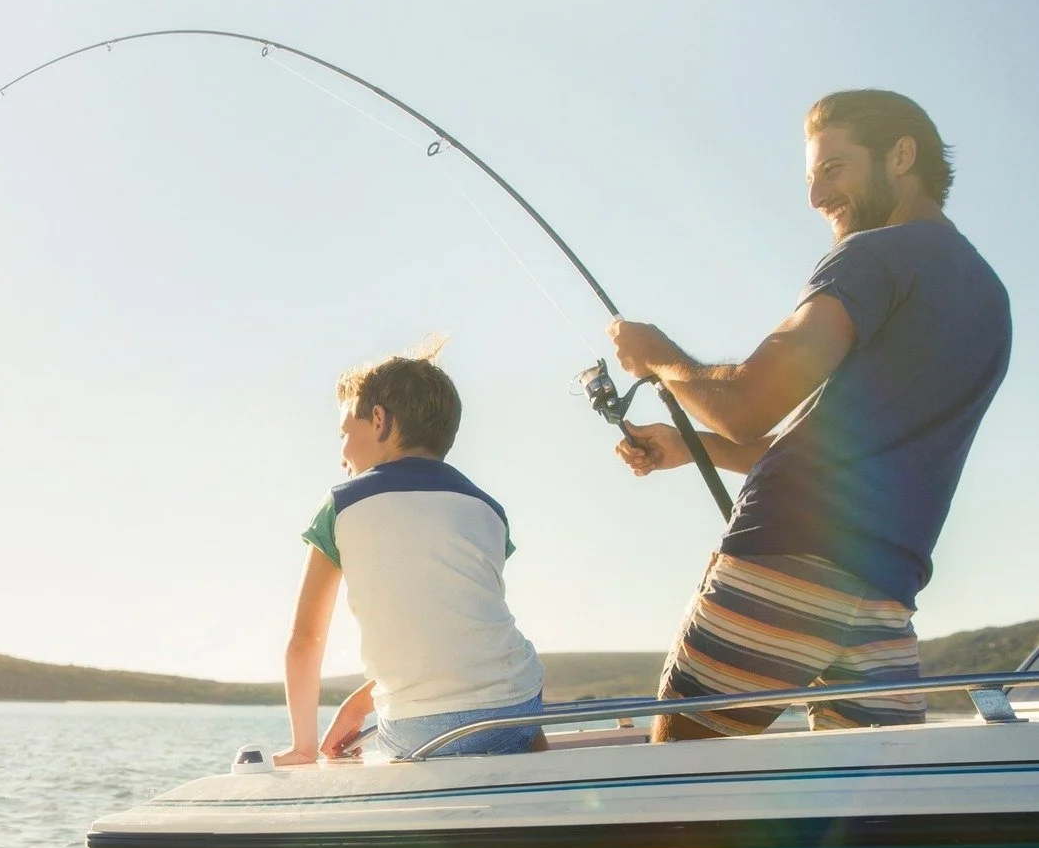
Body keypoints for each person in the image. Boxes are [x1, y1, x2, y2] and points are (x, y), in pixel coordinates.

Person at [608, 89, 1011, 742]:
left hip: (782, 566)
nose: (816, 197)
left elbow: (745, 405)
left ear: (901, 156)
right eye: (810, 178)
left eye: (833, 168)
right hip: (884, 601)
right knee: (867, 804)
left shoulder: (872, 256)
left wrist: (656, 356)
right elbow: (858, 447)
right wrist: (692, 446)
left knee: (681, 784)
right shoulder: (990, 298)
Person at [272, 340, 545, 764]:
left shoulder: (341, 504)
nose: (342, 453)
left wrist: (303, 747)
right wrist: (360, 701)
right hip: (519, 710)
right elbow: (456, 630)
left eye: (345, 433)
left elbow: (306, 640)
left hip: (418, 729)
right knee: (515, 699)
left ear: (380, 421)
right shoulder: (489, 509)